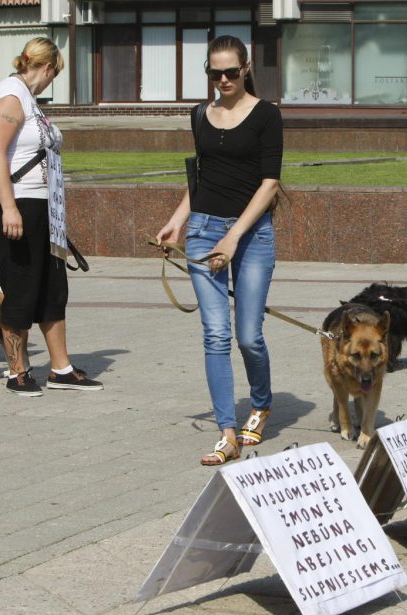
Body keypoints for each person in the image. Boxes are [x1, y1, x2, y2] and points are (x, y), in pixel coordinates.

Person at [155, 35, 283, 466]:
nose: (224, 80)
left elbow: (269, 184)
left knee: (248, 335)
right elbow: (204, 179)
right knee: (215, 334)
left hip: (251, 235)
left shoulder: (267, 116)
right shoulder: (199, 115)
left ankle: (261, 403)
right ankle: (227, 432)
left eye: (231, 72)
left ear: (246, 69)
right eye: (215, 73)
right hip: (204, 229)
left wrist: (233, 239)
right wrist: (178, 219)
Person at [0, 37, 102, 397]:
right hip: (19, 205)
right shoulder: (11, 95)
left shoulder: (27, 99)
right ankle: (16, 371)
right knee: (20, 287)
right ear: (49, 67)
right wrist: (8, 207)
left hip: (44, 208)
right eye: (56, 72)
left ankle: (61, 368)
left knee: (52, 287)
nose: (53, 78)